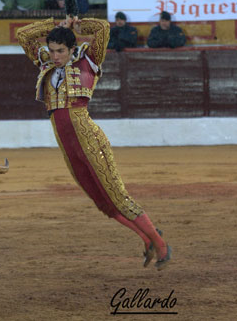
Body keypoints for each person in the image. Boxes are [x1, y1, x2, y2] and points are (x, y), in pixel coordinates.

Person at [16, 15, 172, 271]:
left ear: (71, 50)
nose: (55, 56)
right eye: (52, 50)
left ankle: (161, 244)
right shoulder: (45, 62)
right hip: (66, 143)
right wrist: (55, 24)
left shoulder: (88, 60)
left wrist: (77, 25)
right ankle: (146, 236)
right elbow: (23, 35)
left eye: (60, 51)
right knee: (102, 200)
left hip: (89, 139)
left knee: (117, 195)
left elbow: (102, 28)